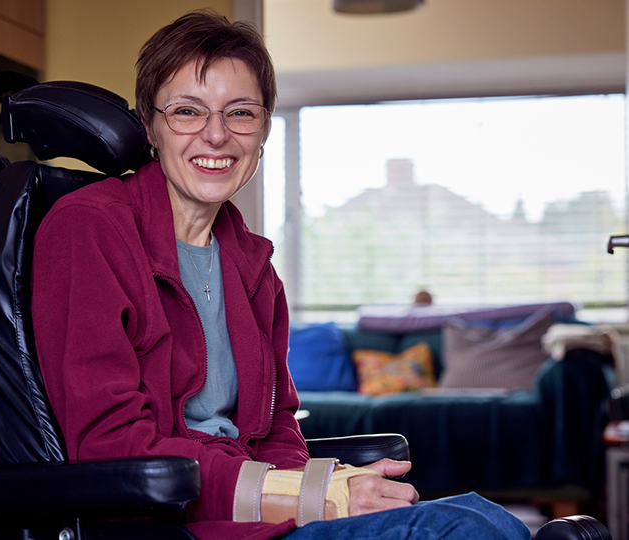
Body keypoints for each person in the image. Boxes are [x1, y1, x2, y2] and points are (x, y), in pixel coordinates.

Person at [31, 10, 529, 540]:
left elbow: (277, 428)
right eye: (187, 112)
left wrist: (315, 488)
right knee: (461, 531)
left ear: (263, 128)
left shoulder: (252, 264)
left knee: (484, 516)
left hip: (255, 515)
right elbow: (110, 446)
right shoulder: (88, 229)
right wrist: (315, 496)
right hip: (168, 526)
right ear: (150, 126)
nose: (216, 135)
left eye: (240, 113)